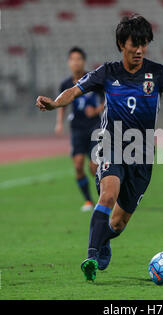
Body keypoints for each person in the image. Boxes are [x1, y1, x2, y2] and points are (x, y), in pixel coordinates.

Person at [36, 15, 163, 281]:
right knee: (108, 194)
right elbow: (74, 90)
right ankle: (92, 257)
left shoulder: (158, 73)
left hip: (142, 153)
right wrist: (55, 104)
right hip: (110, 144)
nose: (140, 50)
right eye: (134, 44)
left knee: (118, 223)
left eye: (144, 44)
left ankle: (104, 240)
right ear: (122, 44)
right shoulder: (107, 72)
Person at [55, 47, 104, 212]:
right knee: (77, 165)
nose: (76, 62)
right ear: (69, 63)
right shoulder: (65, 84)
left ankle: (104, 199)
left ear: (84, 61)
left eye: (79, 59)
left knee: (94, 166)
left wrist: (97, 110)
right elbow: (61, 104)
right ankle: (89, 201)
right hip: (77, 128)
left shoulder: (93, 79)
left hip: (95, 127)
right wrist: (59, 123)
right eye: (73, 59)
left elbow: (108, 99)